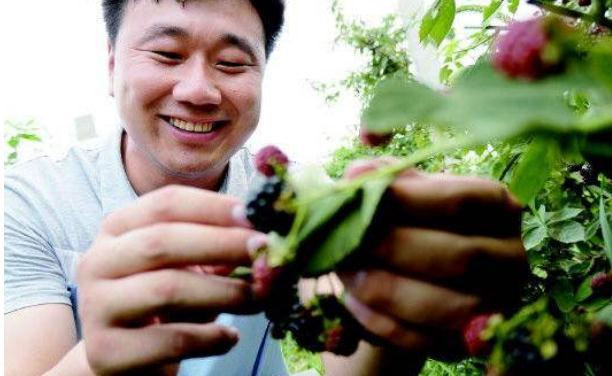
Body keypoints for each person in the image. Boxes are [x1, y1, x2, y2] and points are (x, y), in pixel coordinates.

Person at [4, 0, 526, 375]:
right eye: (166, 54)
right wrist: (100, 360)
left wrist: (391, 306)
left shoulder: (294, 196)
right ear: (113, 62)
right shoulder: (31, 203)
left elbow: (350, 352)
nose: (199, 91)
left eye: (232, 63)